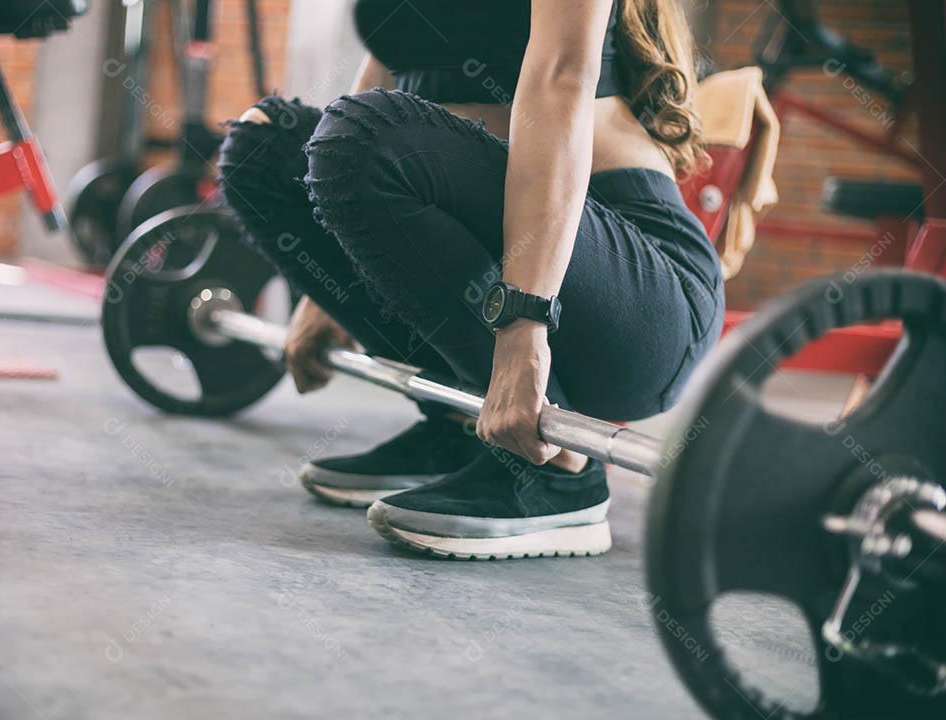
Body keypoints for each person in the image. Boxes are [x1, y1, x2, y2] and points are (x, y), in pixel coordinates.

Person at [217, 0, 724, 558]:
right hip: (495, 252)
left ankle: (555, 475)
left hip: (636, 298)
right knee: (262, 146)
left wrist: (523, 326)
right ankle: (458, 423)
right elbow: (387, 72)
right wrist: (328, 274)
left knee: (360, 141)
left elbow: (560, 80)